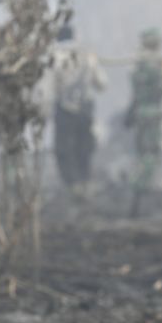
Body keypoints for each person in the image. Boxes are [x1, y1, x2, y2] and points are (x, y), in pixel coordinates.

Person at [50, 23, 106, 203]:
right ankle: (84, 181)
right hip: (85, 108)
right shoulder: (87, 56)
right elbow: (102, 84)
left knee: (63, 148)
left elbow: (49, 87)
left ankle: (73, 184)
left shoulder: (54, 57)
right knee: (84, 146)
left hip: (64, 109)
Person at [124, 28, 162, 218]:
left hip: (141, 113)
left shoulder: (137, 63)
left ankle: (138, 196)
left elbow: (135, 93)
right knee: (150, 157)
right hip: (152, 113)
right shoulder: (153, 63)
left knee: (143, 154)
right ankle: (138, 191)